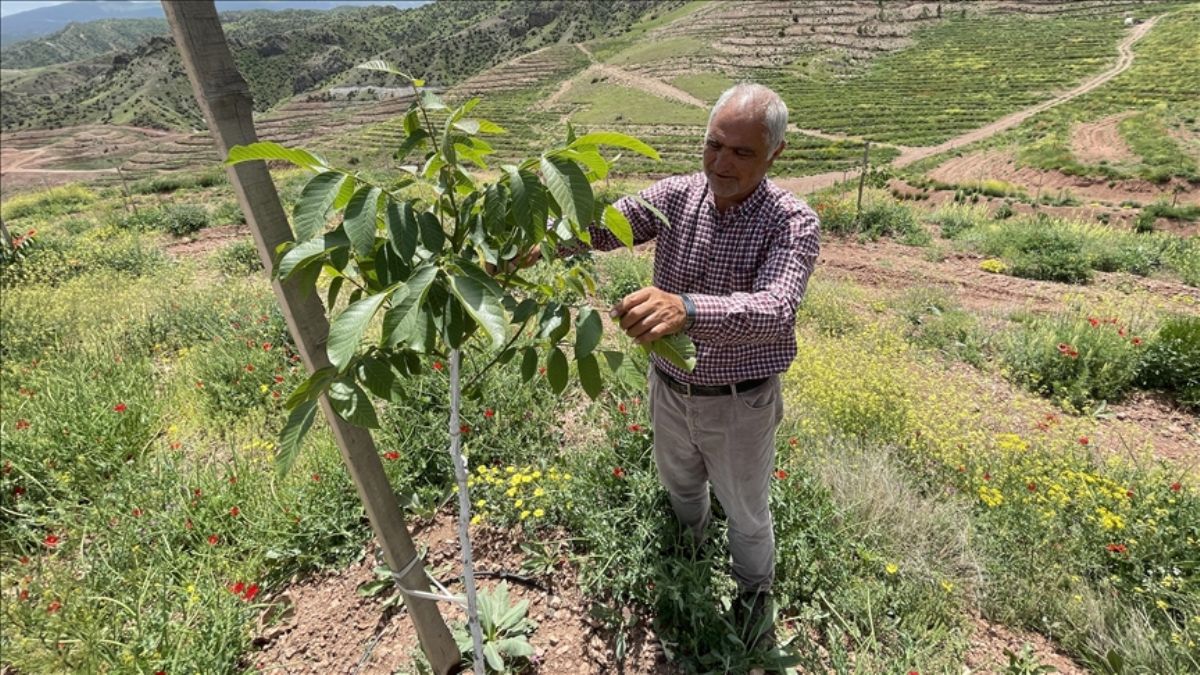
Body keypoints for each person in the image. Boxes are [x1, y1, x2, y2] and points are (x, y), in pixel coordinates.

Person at [587, 83, 821, 648]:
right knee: (681, 486)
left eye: (742, 152)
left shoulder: (791, 221)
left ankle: (753, 594)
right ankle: (690, 552)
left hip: (740, 402)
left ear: (775, 154)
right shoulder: (676, 196)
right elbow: (603, 228)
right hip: (669, 387)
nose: (722, 162)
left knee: (745, 509)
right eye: (714, 145)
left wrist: (687, 308)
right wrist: (541, 237)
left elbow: (776, 307)